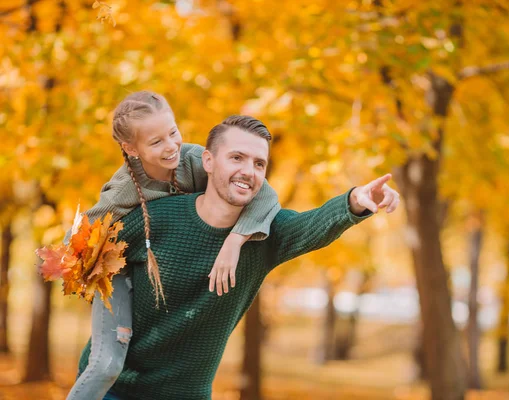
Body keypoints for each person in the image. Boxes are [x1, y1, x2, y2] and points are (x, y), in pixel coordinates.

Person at [77, 115, 400, 400]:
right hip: (112, 390)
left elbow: (313, 225)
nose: (248, 171)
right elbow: (89, 255)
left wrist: (355, 202)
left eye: (259, 164)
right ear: (208, 161)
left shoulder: (265, 237)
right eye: (237, 158)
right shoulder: (156, 217)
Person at [66, 92, 280, 400]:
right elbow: (77, 237)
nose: (171, 146)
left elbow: (266, 196)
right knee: (106, 366)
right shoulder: (122, 191)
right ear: (131, 149)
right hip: (120, 274)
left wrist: (236, 240)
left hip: (161, 266)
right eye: (156, 142)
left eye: (173, 132)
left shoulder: (194, 160)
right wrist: (89, 269)